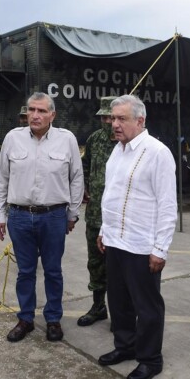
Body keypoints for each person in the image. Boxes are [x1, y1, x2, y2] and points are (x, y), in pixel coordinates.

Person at [96, 94, 177, 379]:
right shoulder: (118, 150)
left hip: (142, 244)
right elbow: (111, 194)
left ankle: (150, 359)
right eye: (113, 118)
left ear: (140, 121)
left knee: (147, 306)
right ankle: (125, 346)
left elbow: (168, 205)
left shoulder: (157, 152)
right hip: (116, 241)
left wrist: (160, 248)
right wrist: (104, 230)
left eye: (121, 119)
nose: (114, 124)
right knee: (118, 301)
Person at [0, 92, 83, 343]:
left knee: (53, 270)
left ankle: (53, 319)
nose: (35, 115)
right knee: (25, 272)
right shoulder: (13, 138)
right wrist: (0, 215)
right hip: (20, 217)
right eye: (31, 110)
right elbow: (1, 178)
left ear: (52, 115)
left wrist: (72, 213)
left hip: (54, 216)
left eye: (42, 111)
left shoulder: (67, 140)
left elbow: (76, 178)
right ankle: (25, 319)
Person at [78, 95, 118, 327]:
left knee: (118, 267)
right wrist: (84, 186)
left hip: (118, 218)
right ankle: (98, 306)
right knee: (95, 262)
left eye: (110, 116)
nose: (106, 121)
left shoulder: (128, 142)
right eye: (103, 116)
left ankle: (118, 312)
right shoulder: (95, 139)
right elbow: (85, 164)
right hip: (95, 215)